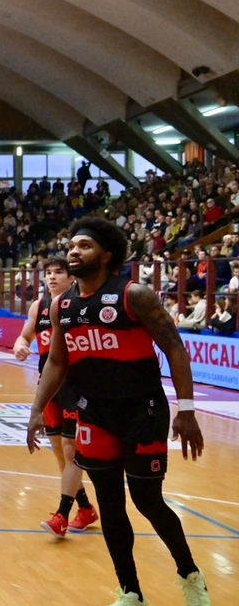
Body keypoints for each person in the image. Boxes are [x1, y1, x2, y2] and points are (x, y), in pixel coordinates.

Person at [27, 217, 211, 606]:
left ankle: (190, 575)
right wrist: (37, 409)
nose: (74, 251)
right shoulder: (63, 305)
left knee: (147, 501)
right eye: (71, 245)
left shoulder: (134, 295)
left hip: (142, 411)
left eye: (84, 245)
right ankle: (130, 591)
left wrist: (187, 409)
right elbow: (57, 363)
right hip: (94, 413)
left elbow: (175, 347)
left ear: (106, 255)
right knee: (110, 506)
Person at [12, 258, 97, 538]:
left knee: (71, 450)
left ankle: (62, 514)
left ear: (72, 278)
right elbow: (24, 336)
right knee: (60, 451)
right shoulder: (39, 307)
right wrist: (20, 346)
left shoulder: (80, 304)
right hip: (49, 387)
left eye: (59, 272)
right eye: (48, 273)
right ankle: (85, 508)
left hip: (77, 384)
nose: (52, 277)